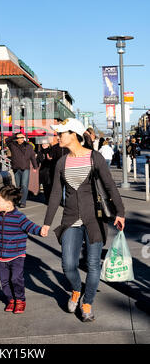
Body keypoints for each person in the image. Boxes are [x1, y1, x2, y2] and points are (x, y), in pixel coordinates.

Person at [41, 118, 125, 323]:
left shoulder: (94, 158)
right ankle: (76, 291)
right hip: (70, 218)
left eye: (61, 133)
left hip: (94, 217)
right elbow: (54, 195)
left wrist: (120, 212)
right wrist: (47, 222)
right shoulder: (61, 162)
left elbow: (109, 186)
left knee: (93, 264)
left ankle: (87, 303)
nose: (58, 136)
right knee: (68, 264)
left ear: (73, 135)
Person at [0, 185, 46, 314]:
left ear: (8, 204)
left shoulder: (19, 217)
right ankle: (11, 299)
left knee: (16, 279)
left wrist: (40, 231)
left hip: (17, 255)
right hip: (1, 255)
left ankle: (20, 300)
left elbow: (30, 226)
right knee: (4, 281)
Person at [5, 133, 38, 208]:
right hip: (16, 168)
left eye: (23, 137)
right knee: (18, 186)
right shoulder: (13, 145)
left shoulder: (28, 146)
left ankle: (23, 202)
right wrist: (15, 135)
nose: (22, 139)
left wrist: (35, 166)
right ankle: (18, 200)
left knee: (24, 185)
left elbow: (32, 157)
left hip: (25, 168)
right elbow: (7, 140)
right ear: (17, 139)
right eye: (20, 138)